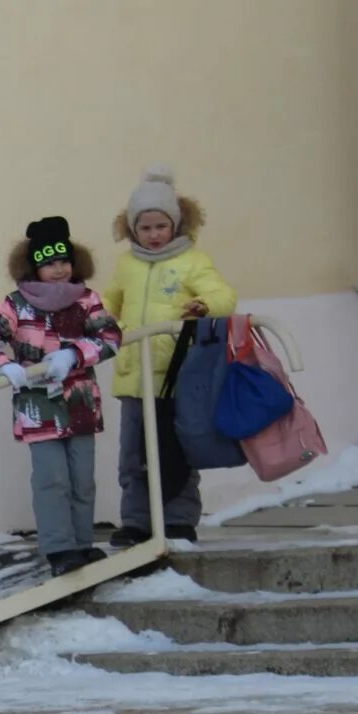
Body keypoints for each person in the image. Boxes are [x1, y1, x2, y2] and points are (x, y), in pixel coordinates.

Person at [0, 217, 123, 576]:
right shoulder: (17, 304)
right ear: (33, 265)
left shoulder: (87, 301)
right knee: (51, 478)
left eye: (64, 261)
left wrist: (75, 354)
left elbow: (111, 337)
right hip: (39, 408)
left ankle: (83, 544)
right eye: (49, 262)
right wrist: (2, 365)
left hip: (81, 403)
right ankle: (59, 549)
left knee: (82, 478)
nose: (58, 269)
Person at [101, 166, 237, 545]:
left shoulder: (193, 261)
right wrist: (99, 319)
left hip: (176, 377)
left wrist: (204, 305)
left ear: (175, 225)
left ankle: (178, 520)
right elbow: (111, 299)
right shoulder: (128, 264)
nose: (153, 235)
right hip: (134, 376)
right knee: (133, 456)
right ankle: (136, 522)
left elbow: (224, 297)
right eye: (144, 228)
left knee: (176, 451)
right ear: (132, 230)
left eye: (160, 226)